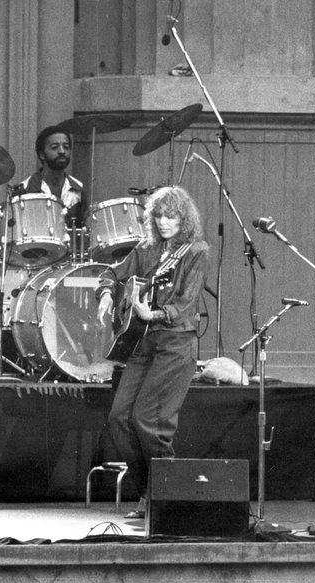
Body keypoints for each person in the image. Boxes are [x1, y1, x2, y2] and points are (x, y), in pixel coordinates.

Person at [95, 186, 208, 519]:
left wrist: (153, 314)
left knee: (148, 421)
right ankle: (148, 491)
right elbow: (110, 274)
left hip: (175, 344)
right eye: (157, 215)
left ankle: (165, 496)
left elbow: (185, 305)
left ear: (184, 218)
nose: (162, 222)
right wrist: (105, 294)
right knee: (118, 418)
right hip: (143, 344)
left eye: (170, 216)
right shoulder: (145, 249)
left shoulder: (195, 251)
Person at [17, 125, 87, 230]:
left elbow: (84, 229)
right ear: (41, 154)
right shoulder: (24, 189)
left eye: (66, 147)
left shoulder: (78, 188)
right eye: (55, 147)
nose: (62, 151)